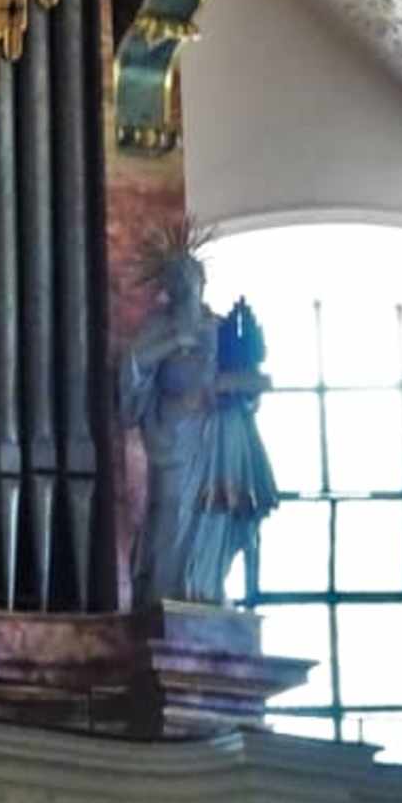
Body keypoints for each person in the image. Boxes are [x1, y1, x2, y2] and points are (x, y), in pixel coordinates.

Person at [121, 223, 279, 607]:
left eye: (190, 274)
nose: (185, 283)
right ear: (167, 286)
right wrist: (175, 341)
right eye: (176, 277)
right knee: (172, 511)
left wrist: (236, 386)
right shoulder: (159, 327)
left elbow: (251, 381)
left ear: (201, 280)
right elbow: (133, 366)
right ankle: (164, 594)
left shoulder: (220, 327)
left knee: (214, 513)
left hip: (217, 435)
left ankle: (204, 592)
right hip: (174, 432)